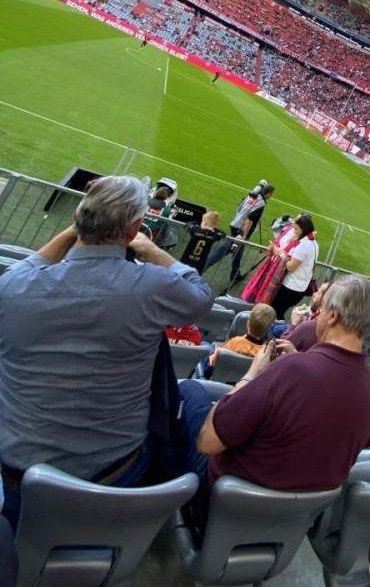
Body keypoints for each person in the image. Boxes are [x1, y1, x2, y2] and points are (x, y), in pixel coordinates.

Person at [0, 175, 214, 531]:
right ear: (132, 231)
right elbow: (201, 294)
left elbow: (27, 267)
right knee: (191, 396)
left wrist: (74, 232)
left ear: (77, 221)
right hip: (114, 474)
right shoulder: (150, 285)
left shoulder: (14, 288)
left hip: (16, 471)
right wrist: (149, 249)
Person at [178, 275, 370, 532]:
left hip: (225, 510)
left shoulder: (292, 368)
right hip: (290, 522)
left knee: (189, 390)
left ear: (332, 316)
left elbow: (208, 441)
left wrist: (252, 375)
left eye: (320, 311)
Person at [205, 180, 275, 283]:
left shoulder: (252, 196)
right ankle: (203, 266)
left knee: (238, 252)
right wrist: (244, 235)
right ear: (268, 193)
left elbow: (240, 207)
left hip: (236, 224)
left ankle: (235, 274)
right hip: (241, 231)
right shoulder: (261, 203)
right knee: (224, 250)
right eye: (271, 194)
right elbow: (249, 220)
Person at [241, 210, 298, 304]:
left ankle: (258, 304)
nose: (295, 220)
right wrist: (274, 246)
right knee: (260, 282)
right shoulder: (289, 228)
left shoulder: (299, 238)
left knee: (267, 288)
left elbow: (287, 251)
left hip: (278, 266)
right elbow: (278, 238)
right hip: (272, 261)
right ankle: (251, 300)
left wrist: (277, 250)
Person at [271, 213, 318, 319]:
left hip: (292, 287)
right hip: (298, 287)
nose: (294, 232)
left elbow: (291, 266)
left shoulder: (304, 245)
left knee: (275, 312)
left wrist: (281, 254)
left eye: (296, 229)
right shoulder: (313, 242)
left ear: (303, 229)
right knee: (277, 312)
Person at [208, 304, 277, 364]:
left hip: (222, 376)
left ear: (247, 323)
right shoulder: (266, 353)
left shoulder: (235, 342)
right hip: (248, 379)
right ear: (269, 329)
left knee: (208, 346)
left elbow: (215, 362)